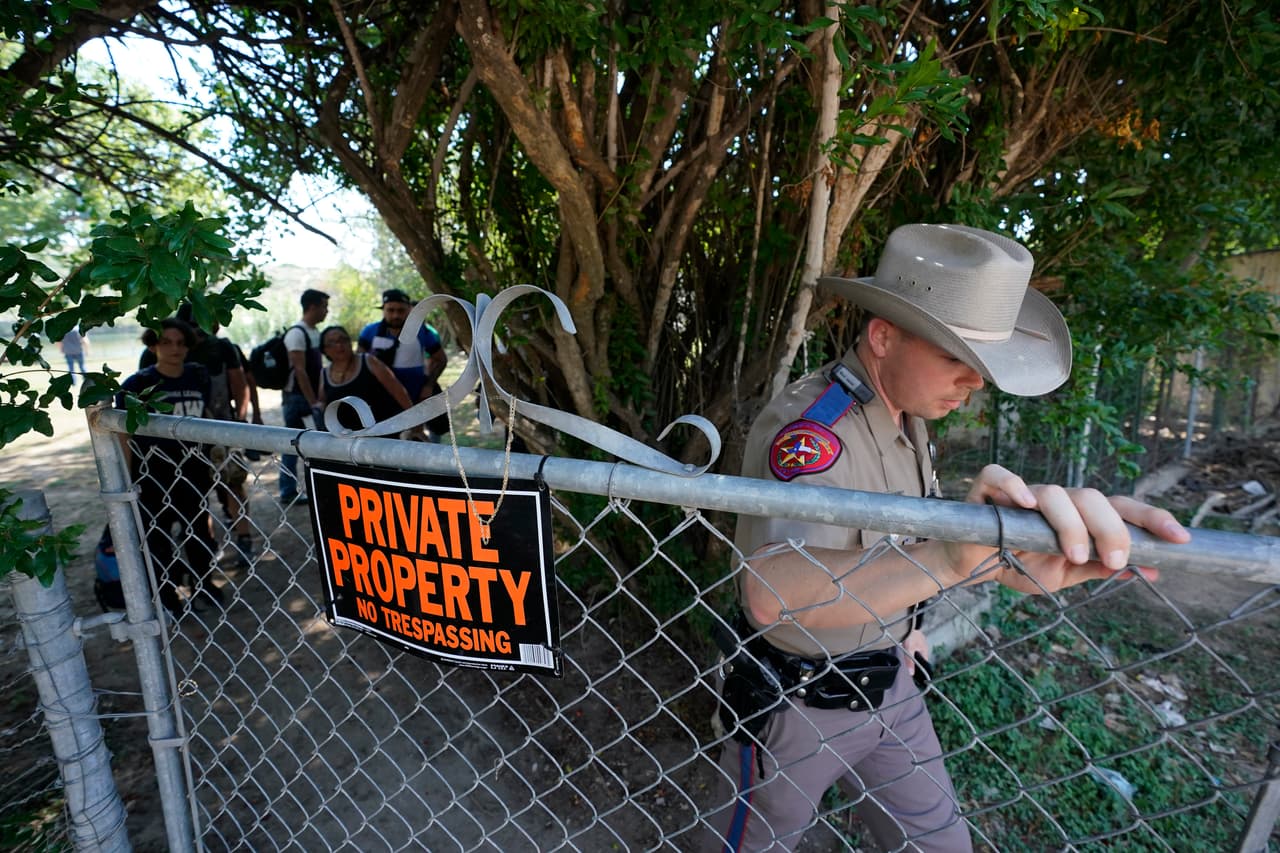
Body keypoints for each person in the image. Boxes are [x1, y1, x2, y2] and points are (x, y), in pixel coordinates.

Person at [704, 224, 1191, 852]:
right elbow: (774, 591)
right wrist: (955, 553)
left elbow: (905, 558)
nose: (975, 383)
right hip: (800, 704)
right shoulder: (814, 430)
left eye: (981, 365)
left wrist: (1005, 560)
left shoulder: (909, 418)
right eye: (956, 357)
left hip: (894, 684)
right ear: (883, 337)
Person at [116, 318, 225, 615]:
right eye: (166, 342)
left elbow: (206, 414)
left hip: (193, 471)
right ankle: (166, 594)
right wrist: (126, 474)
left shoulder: (197, 376)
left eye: (180, 342)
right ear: (152, 346)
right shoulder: (138, 384)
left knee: (199, 531)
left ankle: (203, 583)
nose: (174, 348)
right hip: (154, 475)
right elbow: (123, 432)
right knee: (158, 537)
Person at [357, 288, 448, 438]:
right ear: (383, 310)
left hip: (414, 401)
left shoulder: (422, 332)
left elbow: (441, 359)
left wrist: (429, 385)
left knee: (416, 441)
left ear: (409, 310)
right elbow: (359, 362)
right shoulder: (369, 332)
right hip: (380, 402)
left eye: (401, 310)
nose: (396, 315)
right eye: (390, 310)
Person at [318, 325, 419, 434]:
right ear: (325, 350)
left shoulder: (368, 361)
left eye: (343, 339)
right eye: (332, 342)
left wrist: (415, 419)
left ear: (350, 342)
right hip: (346, 438)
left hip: (382, 432)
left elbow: (397, 390)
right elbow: (323, 403)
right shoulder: (324, 373)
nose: (339, 345)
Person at [279, 288, 329, 503]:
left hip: (308, 398)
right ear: (312, 307)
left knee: (310, 444)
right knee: (293, 445)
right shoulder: (297, 334)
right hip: (298, 399)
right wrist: (313, 401)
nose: (326, 311)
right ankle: (288, 490)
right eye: (324, 307)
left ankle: (311, 488)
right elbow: (300, 370)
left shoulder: (314, 332)